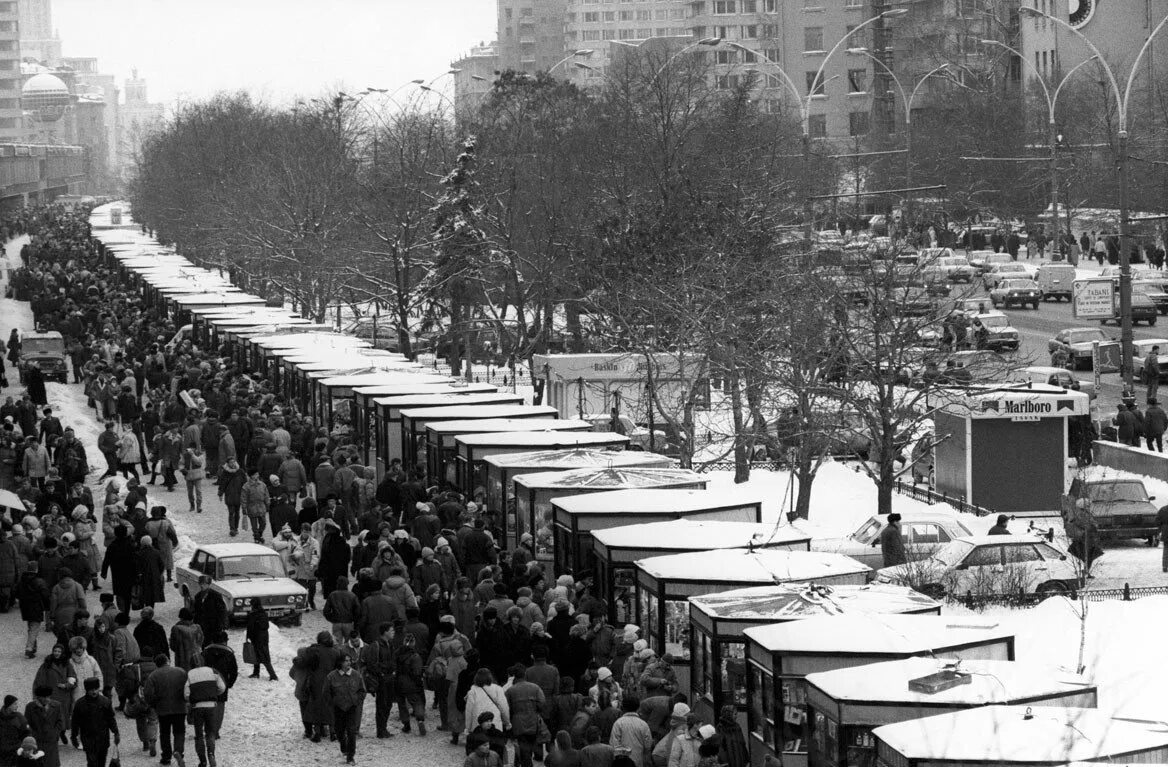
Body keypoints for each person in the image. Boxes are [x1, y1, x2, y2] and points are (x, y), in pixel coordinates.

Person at [142, 653, 186, 767]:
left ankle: (166, 757)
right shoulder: (181, 672)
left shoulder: (153, 675)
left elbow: (148, 693)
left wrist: (154, 704)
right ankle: (178, 751)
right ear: (168, 660)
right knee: (179, 732)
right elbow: (187, 688)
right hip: (180, 708)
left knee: (165, 733)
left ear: (156, 664)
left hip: (163, 709)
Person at [322, 654, 366, 764]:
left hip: (352, 708)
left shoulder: (356, 675)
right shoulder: (331, 676)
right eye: (346, 661)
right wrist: (332, 703)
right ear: (340, 663)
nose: (349, 663)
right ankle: (343, 744)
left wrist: (357, 700)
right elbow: (326, 693)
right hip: (338, 708)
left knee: (352, 732)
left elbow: (362, 690)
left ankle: (350, 756)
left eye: (349, 660)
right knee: (339, 731)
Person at [184, 654, 225, 767]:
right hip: (211, 706)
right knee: (210, 733)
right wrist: (213, 694)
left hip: (197, 707)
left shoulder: (190, 674)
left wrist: (191, 699)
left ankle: (202, 761)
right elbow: (222, 687)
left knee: (199, 735)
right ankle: (211, 754)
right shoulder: (212, 671)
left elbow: (186, 694)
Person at [358, 621, 397, 739]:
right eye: (391, 631)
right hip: (382, 679)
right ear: (385, 632)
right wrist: (381, 673)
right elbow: (372, 664)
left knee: (388, 704)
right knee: (382, 704)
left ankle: (383, 728)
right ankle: (381, 730)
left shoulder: (389, 644)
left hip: (389, 678)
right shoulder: (376, 645)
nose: (393, 632)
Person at [69, 679, 118, 767]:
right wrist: (74, 736)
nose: (94, 692)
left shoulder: (105, 701)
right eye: (91, 690)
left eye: (96, 689)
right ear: (86, 690)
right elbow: (75, 722)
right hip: (88, 738)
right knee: (92, 763)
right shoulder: (80, 704)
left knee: (101, 761)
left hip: (103, 737)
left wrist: (116, 732)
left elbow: (110, 719)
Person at [394, 632, 426, 735]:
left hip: (399, 682)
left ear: (404, 642)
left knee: (402, 704)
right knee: (417, 702)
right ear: (414, 643)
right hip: (412, 683)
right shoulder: (415, 656)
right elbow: (417, 672)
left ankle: (406, 725)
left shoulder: (396, 654)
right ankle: (420, 719)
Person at [16, 562, 49, 659]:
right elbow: (45, 595)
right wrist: (47, 606)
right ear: (36, 569)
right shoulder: (39, 581)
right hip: (36, 607)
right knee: (34, 628)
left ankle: (33, 647)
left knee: (31, 627)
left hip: (25, 607)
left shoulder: (22, 581)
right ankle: (29, 648)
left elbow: (16, 592)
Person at [23, 688, 62, 767]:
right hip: (38, 741)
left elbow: (60, 722)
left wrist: (55, 734)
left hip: (51, 741)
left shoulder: (57, 705)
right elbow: (27, 724)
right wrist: (33, 736)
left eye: (48, 697)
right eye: (44, 697)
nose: (47, 699)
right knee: (38, 763)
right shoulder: (30, 707)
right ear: (38, 697)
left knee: (52, 763)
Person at [609, 695, 652, 767]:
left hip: (622, 763)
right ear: (638, 708)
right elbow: (648, 746)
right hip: (639, 762)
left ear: (623, 707)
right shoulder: (643, 724)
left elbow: (614, 745)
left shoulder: (618, 723)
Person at [244, 598, 278, 681]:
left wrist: (255, 623)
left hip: (260, 639)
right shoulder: (256, 613)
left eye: (251, 604)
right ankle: (256, 673)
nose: (251, 606)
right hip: (257, 638)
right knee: (256, 655)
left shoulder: (260, 614)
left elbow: (264, 626)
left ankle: (273, 675)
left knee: (264, 657)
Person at [0, 695, 29, 767]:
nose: (17, 706)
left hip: (16, 752)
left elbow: (26, 733)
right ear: (8, 705)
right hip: (2, 753)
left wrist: (24, 748)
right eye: (15, 704)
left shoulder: (19, 717)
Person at [181, 446, 205, 514]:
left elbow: (198, 462)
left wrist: (192, 455)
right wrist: (182, 469)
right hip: (188, 475)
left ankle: (199, 506)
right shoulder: (185, 455)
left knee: (198, 491)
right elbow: (181, 463)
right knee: (190, 492)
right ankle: (192, 504)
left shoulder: (199, 454)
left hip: (197, 475)